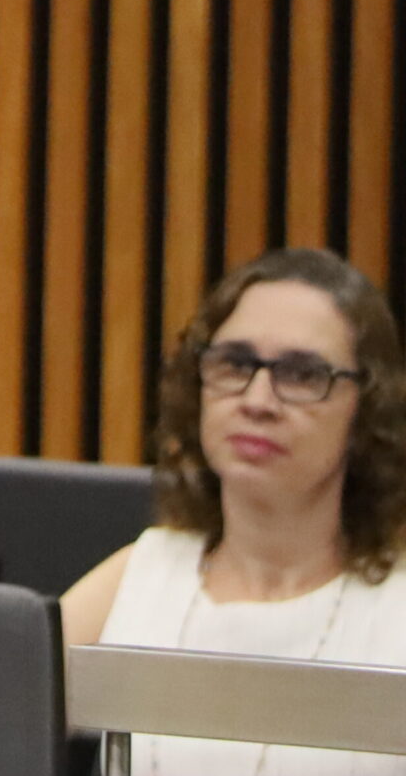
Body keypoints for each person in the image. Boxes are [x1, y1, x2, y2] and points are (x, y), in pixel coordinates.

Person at [62, 249, 406, 775]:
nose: (258, 400)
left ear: (368, 408)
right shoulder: (143, 572)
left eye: (302, 374)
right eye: (236, 364)